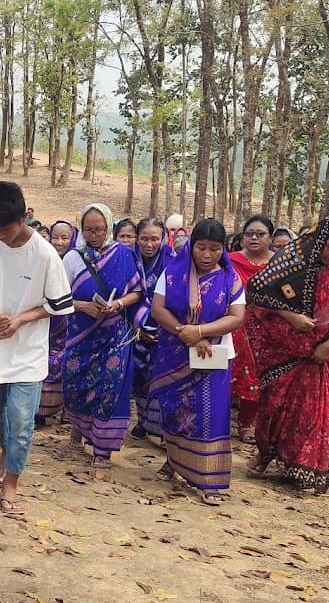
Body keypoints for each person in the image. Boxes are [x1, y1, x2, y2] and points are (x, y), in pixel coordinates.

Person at [0, 181, 74, 514]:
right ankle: (7, 449)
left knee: (22, 419)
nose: (0, 236)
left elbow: (58, 304)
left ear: (24, 216)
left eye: (6, 229)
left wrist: (21, 319)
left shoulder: (44, 254)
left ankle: (11, 481)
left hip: (27, 352)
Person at [247, 215, 329, 492]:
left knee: (311, 412)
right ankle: (266, 452)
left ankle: (304, 468)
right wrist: (292, 316)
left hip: (319, 353)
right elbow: (259, 291)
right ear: (320, 240)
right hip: (282, 349)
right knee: (274, 406)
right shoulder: (293, 257)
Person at [147, 219, 246, 505]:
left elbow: (236, 317)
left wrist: (201, 332)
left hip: (213, 357)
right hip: (175, 353)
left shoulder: (230, 278)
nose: (207, 254)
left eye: (214, 249)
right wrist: (187, 334)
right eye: (201, 247)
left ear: (223, 249)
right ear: (191, 246)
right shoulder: (172, 273)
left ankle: (209, 479)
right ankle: (175, 461)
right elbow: (158, 309)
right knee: (176, 410)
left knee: (211, 415)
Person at [62, 204, 143, 468]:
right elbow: (58, 296)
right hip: (81, 334)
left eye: (99, 229)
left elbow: (137, 292)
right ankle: (80, 429)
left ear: (109, 227)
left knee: (110, 387)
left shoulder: (124, 254)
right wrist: (83, 306)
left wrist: (117, 304)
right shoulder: (72, 258)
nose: (94, 235)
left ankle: (102, 450)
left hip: (114, 334)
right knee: (77, 384)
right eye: (88, 230)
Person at [228, 215, 274, 443]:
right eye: (249, 234)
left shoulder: (280, 263)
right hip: (234, 324)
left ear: (270, 238)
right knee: (230, 371)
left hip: (269, 327)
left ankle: (247, 423)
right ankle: (220, 420)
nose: (254, 238)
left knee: (259, 374)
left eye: (260, 234)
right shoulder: (230, 261)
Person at [129, 217, 175, 440]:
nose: (149, 244)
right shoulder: (130, 260)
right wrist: (137, 327)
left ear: (163, 238)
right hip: (134, 330)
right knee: (139, 378)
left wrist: (163, 328)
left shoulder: (173, 262)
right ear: (137, 238)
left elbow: (177, 299)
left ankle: (160, 428)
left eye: (155, 239)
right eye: (144, 239)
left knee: (161, 379)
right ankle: (142, 421)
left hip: (164, 331)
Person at [38, 220, 77, 424]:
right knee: (44, 363)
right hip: (47, 320)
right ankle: (41, 411)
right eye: (55, 237)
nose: (59, 242)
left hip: (71, 322)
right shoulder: (43, 259)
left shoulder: (78, 261)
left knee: (65, 364)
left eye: (64, 237)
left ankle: (66, 410)